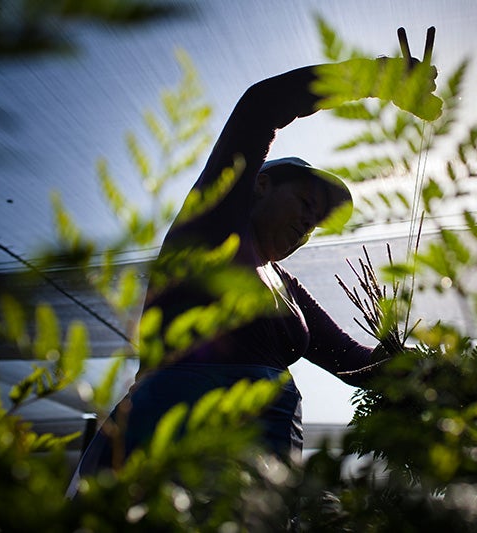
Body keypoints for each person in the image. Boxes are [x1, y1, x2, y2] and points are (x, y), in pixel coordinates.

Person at [68, 55, 441, 495]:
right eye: (306, 203)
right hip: (164, 450)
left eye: (317, 221)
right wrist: (373, 79)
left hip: (256, 471)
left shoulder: (286, 289)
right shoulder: (213, 226)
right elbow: (260, 107)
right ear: (260, 185)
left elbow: (353, 363)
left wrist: (422, 375)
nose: (309, 223)